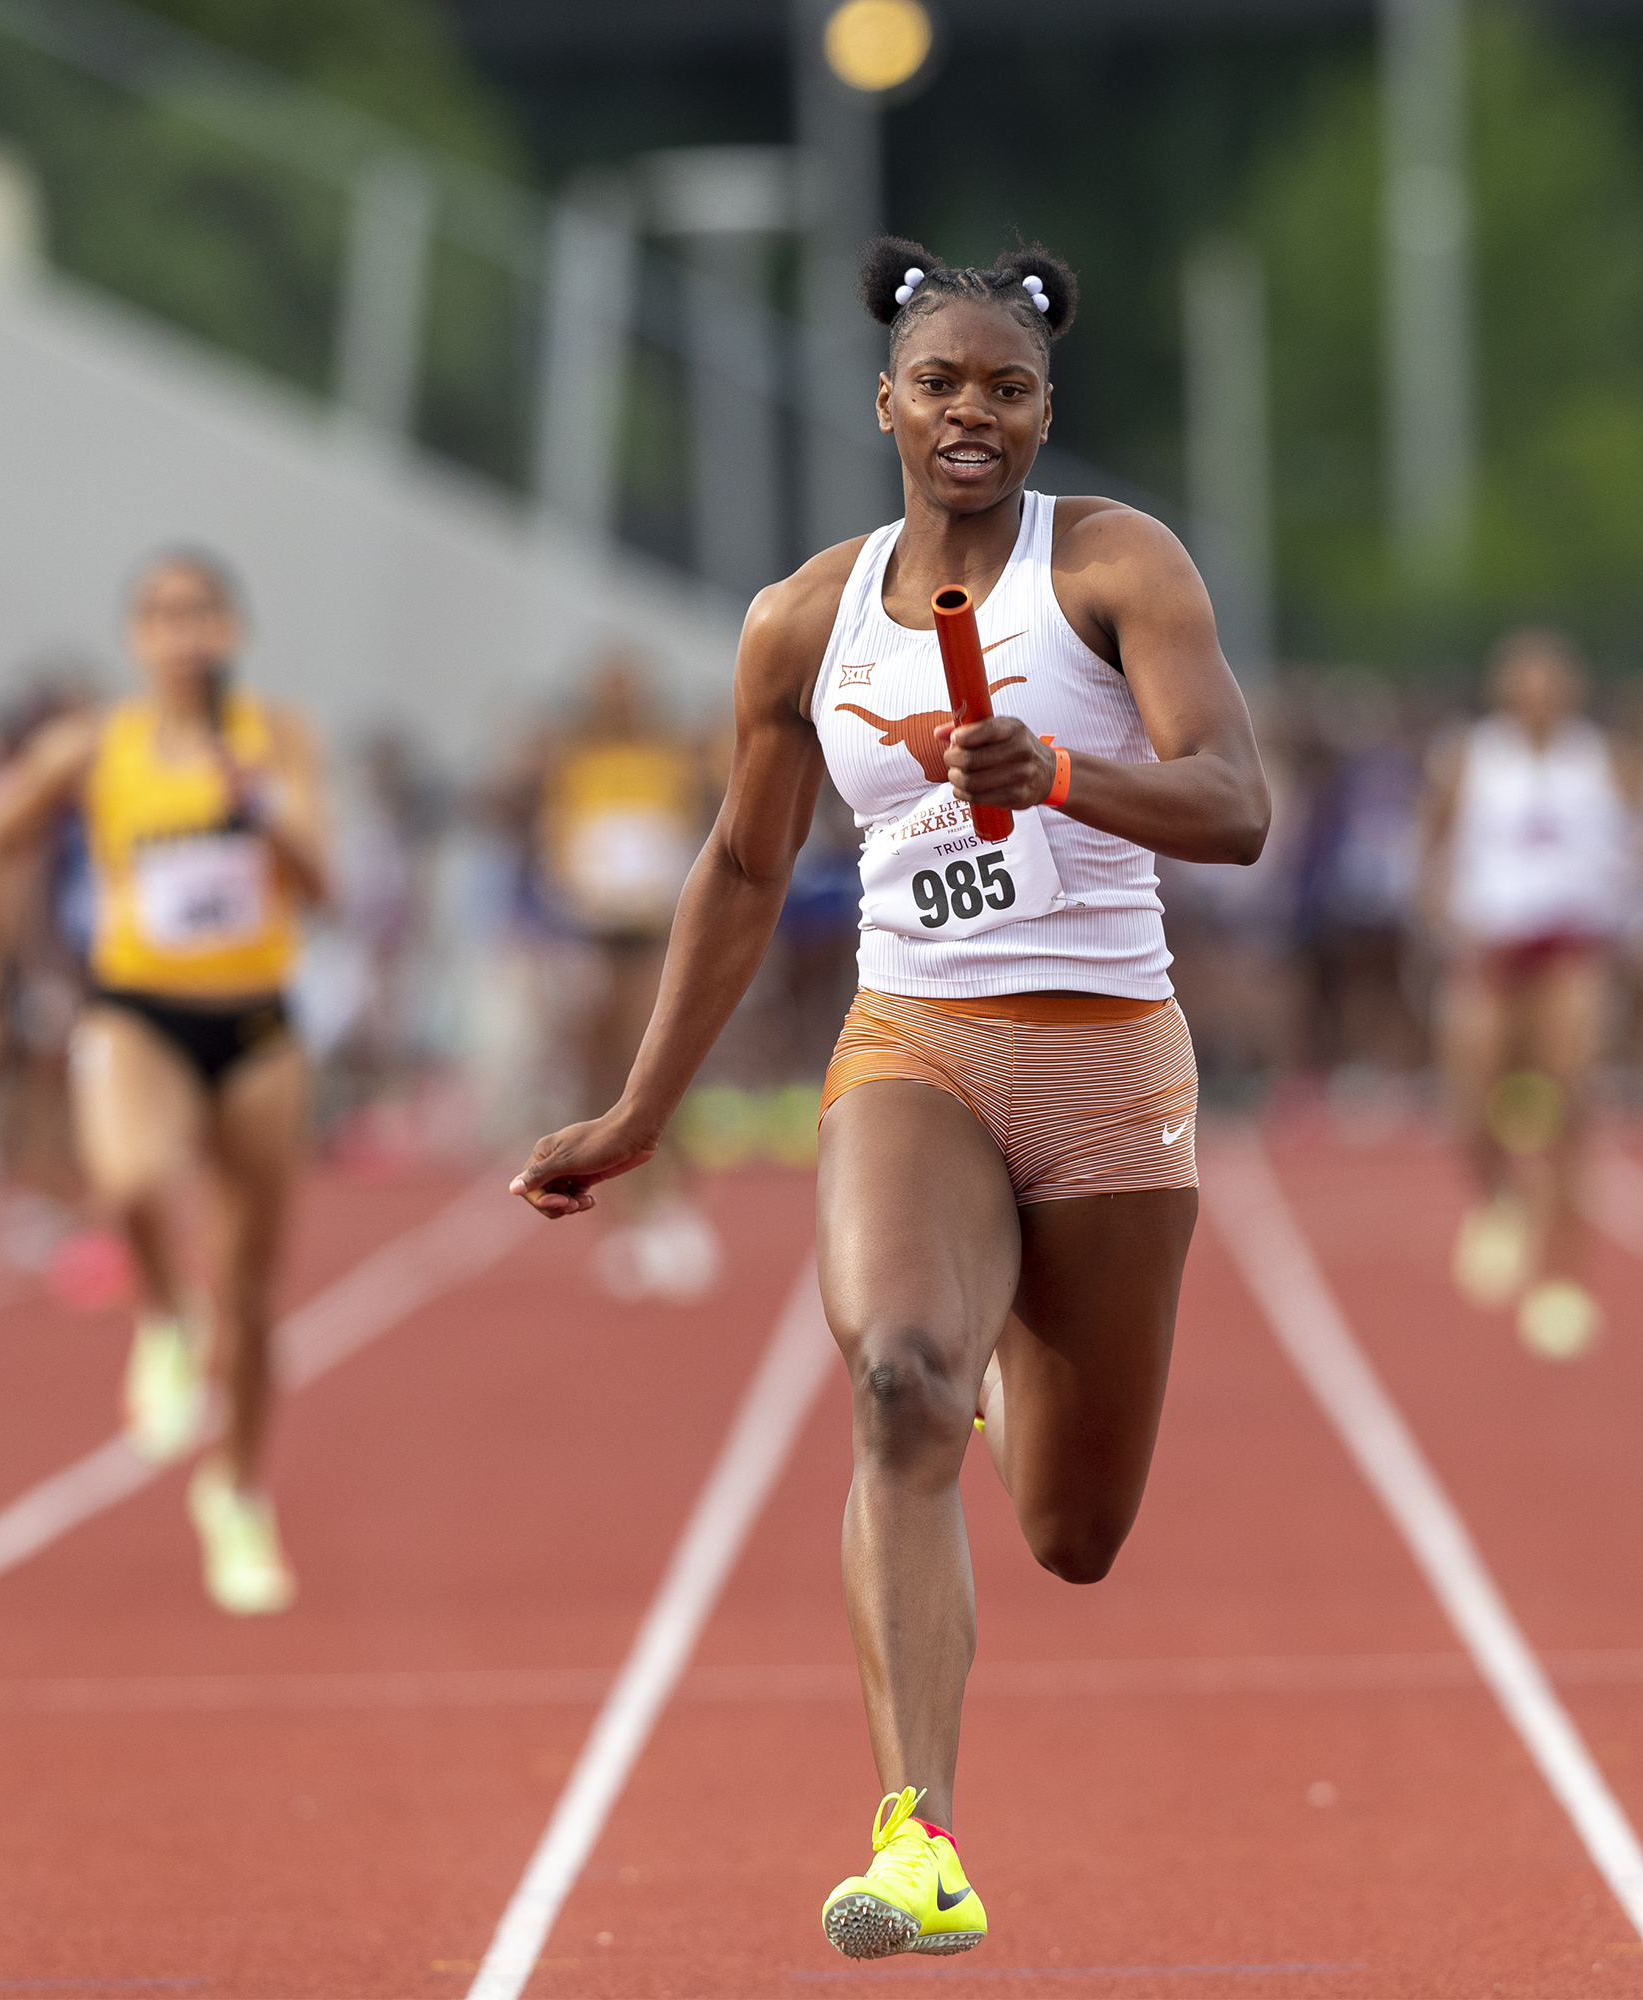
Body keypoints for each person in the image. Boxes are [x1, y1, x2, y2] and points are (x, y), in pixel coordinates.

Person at [512, 236, 1268, 1959]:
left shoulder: (1113, 566)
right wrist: (641, 1113)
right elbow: (738, 861)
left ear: (1046, 407)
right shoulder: (802, 619)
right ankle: (917, 1832)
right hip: (912, 1044)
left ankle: (1006, 1352)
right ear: (885, 404)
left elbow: (1236, 804)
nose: (973, 414)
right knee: (900, 1382)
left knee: (1074, 1532)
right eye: (942, 385)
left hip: (1106, 1058)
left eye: (1006, 387)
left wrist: (1065, 771)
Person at [0, 550, 329, 1615]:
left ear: (232, 631)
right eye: (163, 615)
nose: (184, 632)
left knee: (252, 1299)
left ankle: (238, 1492)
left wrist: (268, 814)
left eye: (202, 611)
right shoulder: (93, 746)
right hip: (138, 1010)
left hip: (254, 1025)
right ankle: (162, 1313)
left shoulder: (276, 737)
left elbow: (324, 881)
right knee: (127, 1175)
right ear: (137, 639)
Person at [1418, 628, 1640, 1353]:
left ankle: (1563, 1281)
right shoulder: (1469, 757)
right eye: (1526, 685)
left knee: (1570, 1109)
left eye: (1552, 685)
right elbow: (1432, 848)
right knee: (1470, 1098)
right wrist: (1439, 917)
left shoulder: (1602, 757)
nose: (1540, 699)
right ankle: (1498, 1199)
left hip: (1570, 948)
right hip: (1490, 945)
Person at [531, 652, 721, 1298]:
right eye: (606, 691)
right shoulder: (574, 764)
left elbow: (692, 835)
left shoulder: (669, 761)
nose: (617, 703)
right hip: (591, 933)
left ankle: (669, 1201)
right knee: (599, 1071)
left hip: (649, 934)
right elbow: (557, 846)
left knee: (657, 1068)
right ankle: (624, 1212)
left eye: (627, 691)